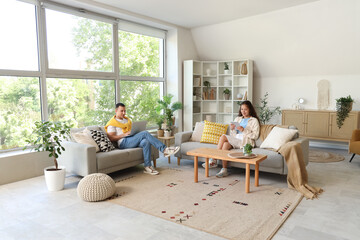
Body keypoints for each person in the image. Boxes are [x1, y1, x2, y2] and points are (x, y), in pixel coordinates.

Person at [105, 103, 180, 175]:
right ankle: (165, 150)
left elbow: (131, 130)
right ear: (116, 111)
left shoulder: (126, 120)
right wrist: (123, 134)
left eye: (125, 111)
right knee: (145, 133)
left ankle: (147, 167)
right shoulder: (112, 123)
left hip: (131, 138)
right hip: (123, 142)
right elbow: (111, 138)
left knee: (145, 141)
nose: (124, 113)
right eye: (121, 111)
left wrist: (133, 132)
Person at [214, 100, 260, 177]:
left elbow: (255, 136)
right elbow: (233, 135)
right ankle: (224, 170)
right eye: (242, 109)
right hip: (236, 140)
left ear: (250, 110)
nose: (243, 111)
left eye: (245, 109)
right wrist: (233, 129)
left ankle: (214, 159)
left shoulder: (254, 120)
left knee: (223, 136)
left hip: (245, 141)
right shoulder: (238, 119)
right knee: (225, 145)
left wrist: (243, 130)